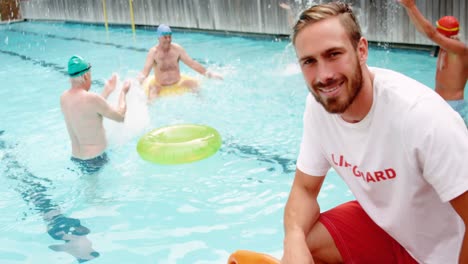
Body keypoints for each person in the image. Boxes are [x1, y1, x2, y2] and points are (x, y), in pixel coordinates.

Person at [282, 2, 468, 264]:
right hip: (389, 232)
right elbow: (304, 189)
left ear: (361, 50)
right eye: (309, 61)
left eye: (334, 54)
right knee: (306, 242)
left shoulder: (422, 117)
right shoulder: (317, 107)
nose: (323, 75)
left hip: (442, 252)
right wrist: (293, 239)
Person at [398, 0, 467, 125]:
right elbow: (424, 31)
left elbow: (431, 33)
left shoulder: (460, 49)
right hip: (441, 103)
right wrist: (408, 8)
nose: (435, 31)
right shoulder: (445, 46)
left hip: (453, 107)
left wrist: (412, 6)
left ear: (443, 32)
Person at [60, 55, 130, 174]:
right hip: (95, 160)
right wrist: (123, 92)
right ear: (86, 76)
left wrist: (107, 90)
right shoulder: (91, 99)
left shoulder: (64, 98)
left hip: (76, 158)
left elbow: (90, 112)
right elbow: (120, 116)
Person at [138, 24, 223, 100]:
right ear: (158, 38)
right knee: (152, 93)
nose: (168, 40)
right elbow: (145, 72)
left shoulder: (177, 49)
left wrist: (209, 74)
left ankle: (204, 104)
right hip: (160, 85)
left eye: (170, 37)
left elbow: (192, 63)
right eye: (165, 37)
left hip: (177, 82)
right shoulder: (153, 53)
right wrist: (138, 81)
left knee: (195, 85)